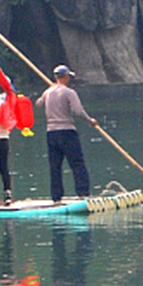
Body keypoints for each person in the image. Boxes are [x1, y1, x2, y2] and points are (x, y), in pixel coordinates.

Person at [40, 64, 96, 201]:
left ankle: (56, 196)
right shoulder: (69, 92)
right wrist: (90, 121)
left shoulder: (48, 92)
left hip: (51, 133)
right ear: (65, 77)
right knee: (77, 163)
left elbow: (39, 104)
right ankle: (83, 193)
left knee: (55, 166)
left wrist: (48, 90)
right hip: (67, 132)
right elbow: (78, 111)